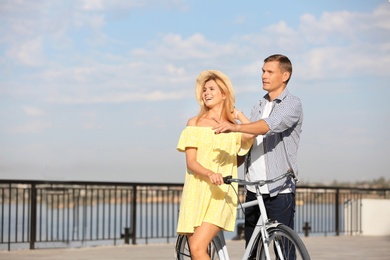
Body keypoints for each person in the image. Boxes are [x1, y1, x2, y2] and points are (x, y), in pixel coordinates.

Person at [213, 54, 303, 257]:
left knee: (284, 252)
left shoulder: (292, 104)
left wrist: (234, 127)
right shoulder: (259, 105)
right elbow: (249, 136)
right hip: (253, 187)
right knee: (252, 250)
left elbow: (267, 126)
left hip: (278, 188)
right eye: (263, 71)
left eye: (270, 71)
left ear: (285, 75)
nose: (264, 75)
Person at [176, 70, 254, 260]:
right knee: (197, 250)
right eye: (204, 90)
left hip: (221, 193)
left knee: (197, 246)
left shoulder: (231, 126)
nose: (206, 93)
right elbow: (191, 162)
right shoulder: (194, 123)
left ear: (224, 94)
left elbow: (251, 134)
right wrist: (209, 173)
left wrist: (237, 114)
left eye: (212, 89)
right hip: (196, 192)